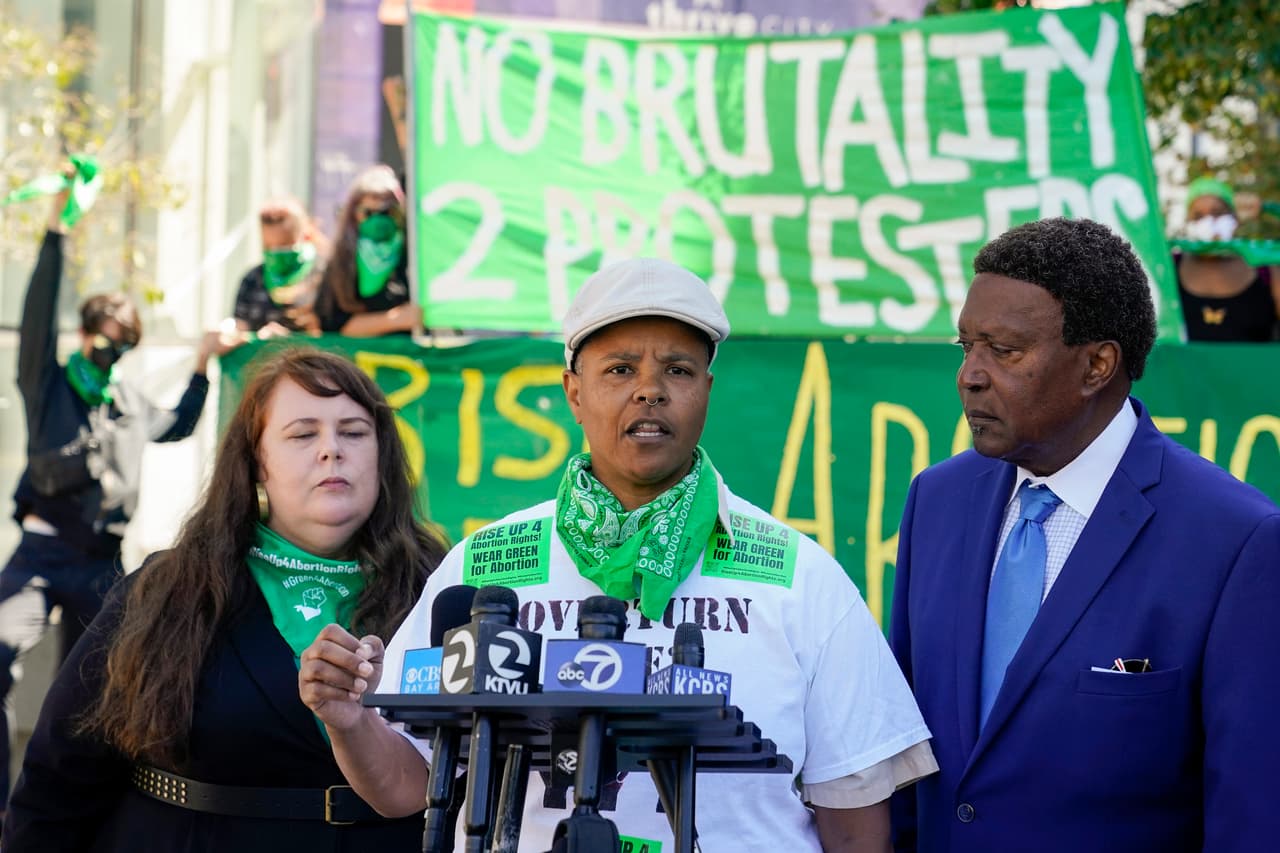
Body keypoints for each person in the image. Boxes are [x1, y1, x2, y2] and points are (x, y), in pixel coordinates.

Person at [300, 257, 938, 852]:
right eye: (620, 370)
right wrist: (347, 717)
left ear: (707, 391)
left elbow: (854, 818)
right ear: (573, 393)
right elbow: (405, 786)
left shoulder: (799, 574)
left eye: (678, 370)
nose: (650, 391)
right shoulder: (485, 564)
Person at [889, 217, 1280, 852]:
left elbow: (1251, 814)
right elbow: (903, 753)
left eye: (1004, 350)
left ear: (1098, 364)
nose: (970, 375)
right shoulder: (936, 500)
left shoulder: (1237, 541)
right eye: (966, 346)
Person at [3, 347, 450, 850]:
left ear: (382, 454)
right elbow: (59, 776)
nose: (331, 449)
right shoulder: (172, 589)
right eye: (303, 434)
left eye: (354, 432)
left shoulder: (440, 588)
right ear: (258, 462)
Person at [0, 182, 235, 814]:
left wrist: (203, 362)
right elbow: (38, 311)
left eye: (122, 347)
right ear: (84, 335)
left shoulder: (126, 401)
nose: (111, 355)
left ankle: (80, 811)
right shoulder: (48, 385)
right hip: (42, 552)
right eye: (104, 342)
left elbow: (176, 425)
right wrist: (57, 232)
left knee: (102, 689)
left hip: (102, 563)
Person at [313, 165, 418, 336]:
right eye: (368, 213)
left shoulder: (413, 256)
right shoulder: (341, 261)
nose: (378, 219)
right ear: (353, 215)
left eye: (387, 212)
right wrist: (395, 319)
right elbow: (332, 324)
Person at [1175, 177, 1280, 341]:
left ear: (1235, 218)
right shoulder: (1169, 268)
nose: (1209, 222)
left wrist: (1267, 208)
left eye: (1218, 213)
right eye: (1198, 216)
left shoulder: (1265, 270)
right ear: (1188, 221)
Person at [229, 197, 327, 338]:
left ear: (305, 236)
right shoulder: (253, 279)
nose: (275, 252)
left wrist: (291, 339)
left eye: (284, 245)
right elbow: (240, 326)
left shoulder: (327, 276)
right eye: (269, 246)